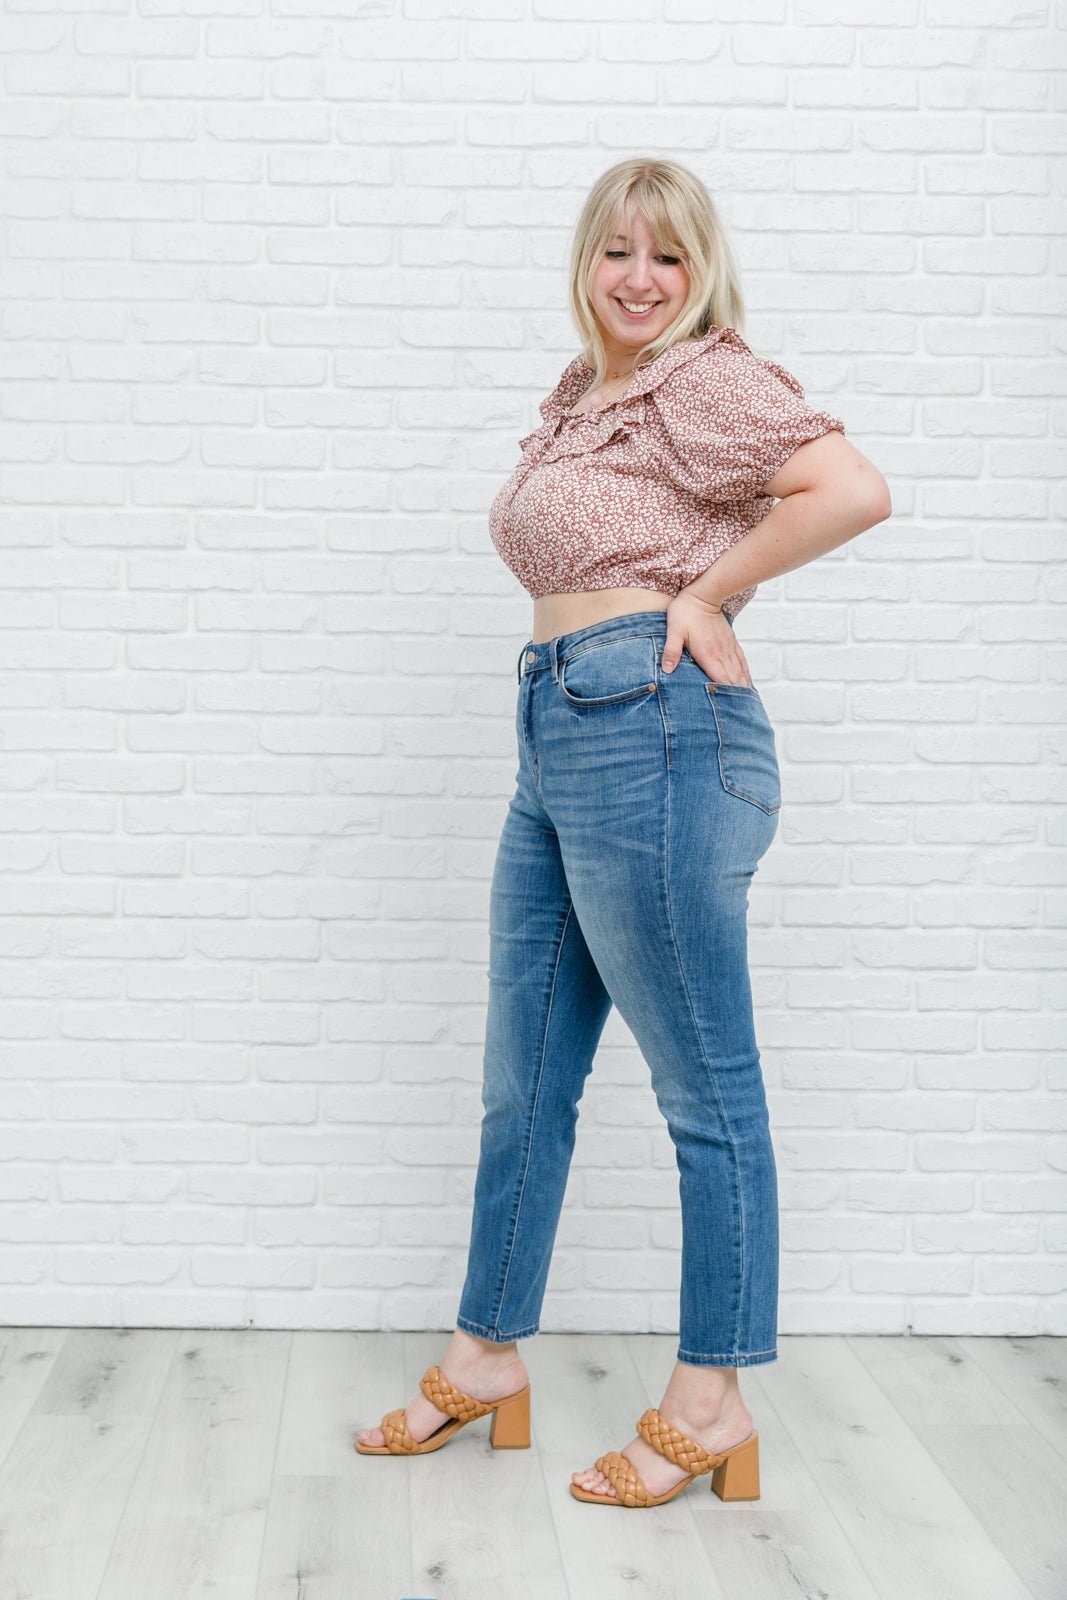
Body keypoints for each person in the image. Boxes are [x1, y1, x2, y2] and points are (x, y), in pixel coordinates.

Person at [355, 158, 891, 1508]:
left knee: (704, 1086)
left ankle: (711, 1395)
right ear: (585, 265)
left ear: (700, 269)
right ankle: (485, 1356)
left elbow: (850, 488)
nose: (641, 281)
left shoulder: (705, 377)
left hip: (656, 732)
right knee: (521, 1082)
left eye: (668, 256)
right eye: (616, 255)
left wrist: (706, 594)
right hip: (560, 728)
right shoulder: (583, 399)